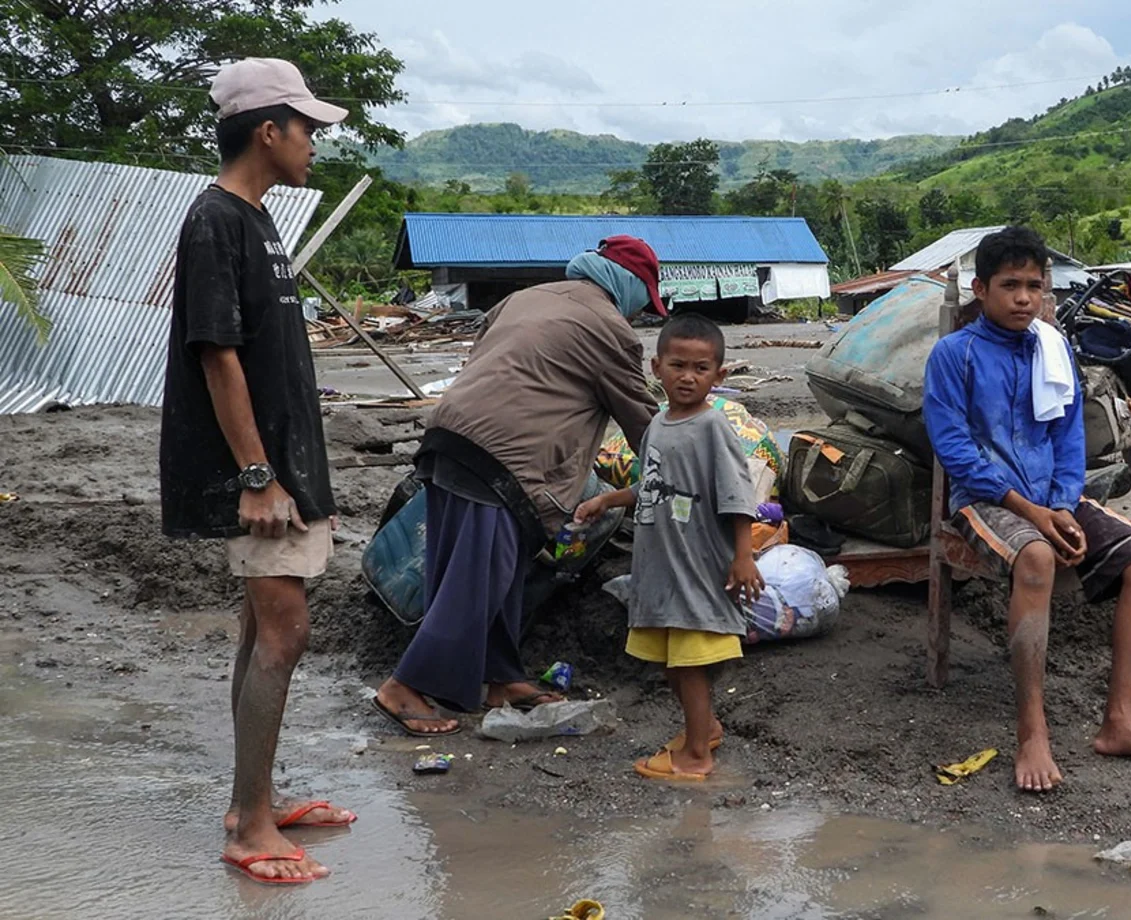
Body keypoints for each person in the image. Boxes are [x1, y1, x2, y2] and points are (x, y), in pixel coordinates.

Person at [159, 58, 353, 885]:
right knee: (286, 632)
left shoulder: (257, 218)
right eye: (306, 127)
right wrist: (256, 474)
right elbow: (218, 355)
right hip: (262, 471)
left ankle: (255, 802)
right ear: (267, 130)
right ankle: (249, 828)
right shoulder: (216, 221)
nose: (314, 142)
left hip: (283, 462)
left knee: (258, 629)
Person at [923, 226, 1131, 794]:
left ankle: (1119, 720)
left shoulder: (1053, 346)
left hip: (1053, 496)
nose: (1022, 298)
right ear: (980, 289)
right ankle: (1031, 732)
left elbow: (1069, 436)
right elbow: (955, 449)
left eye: (1033, 286)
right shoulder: (954, 355)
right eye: (1009, 285)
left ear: (1046, 291)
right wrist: (1035, 514)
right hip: (986, 500)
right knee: (1037, 558)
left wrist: (1063, 503)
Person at [370, 237, 663, 735]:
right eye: (644, 300)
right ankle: (405, 685)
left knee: (494, 569)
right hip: (504, 457)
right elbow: (644, 424)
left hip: (449, 436)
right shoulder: (610, 329)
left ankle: (499, 675)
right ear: (630, 287)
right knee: (477, 578)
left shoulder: (526, 296)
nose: (639, 312)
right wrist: (695, 463)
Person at [574, 314, 763, 782]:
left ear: (719, 376)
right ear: (656, 368)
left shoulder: (713, 428)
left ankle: (697, 754)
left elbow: (738, 494)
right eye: (678, 365)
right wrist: (607, 499)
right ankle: (706, 729)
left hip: (698, 567)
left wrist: (743, 555)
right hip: (661, 567)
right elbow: (653, 484)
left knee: (691, 664)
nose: (688, 377)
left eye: (701, 369)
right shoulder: (658, 424)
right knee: (669, 663)